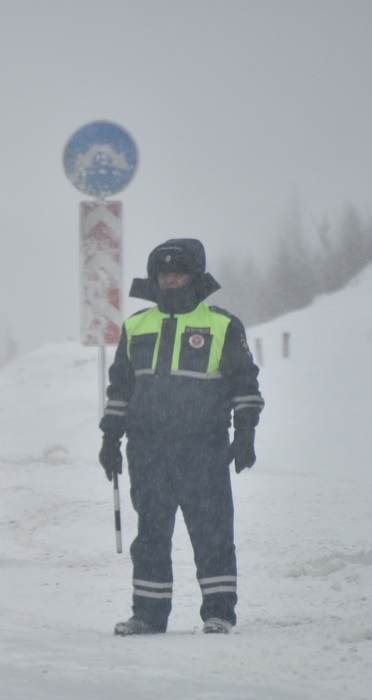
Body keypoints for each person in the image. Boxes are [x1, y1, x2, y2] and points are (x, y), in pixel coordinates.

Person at [99, 238, 264, 636]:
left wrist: (245, 433)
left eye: (178, 272)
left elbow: (245, 384)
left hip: (203, 449)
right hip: (148, 451)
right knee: (152, 535)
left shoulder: (222, 325)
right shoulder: (136, 326)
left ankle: (219, 613)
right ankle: (148, 615)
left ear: (195, 276)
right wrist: (110, 439)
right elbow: (120, 389)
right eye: (163, 273)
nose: (170, 280)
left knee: (212, 533)